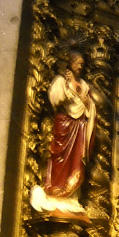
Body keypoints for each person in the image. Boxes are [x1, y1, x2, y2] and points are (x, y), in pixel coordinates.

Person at [30, 50, 96, 217]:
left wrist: (87, 103)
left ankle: (71, 197)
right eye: (78, 63)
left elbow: (90, 107)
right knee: (59, 158)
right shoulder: (61, 81)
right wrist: (66, 89)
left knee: (76, 160)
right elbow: (55, 99)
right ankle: (55, 191)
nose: (80, 66)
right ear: (70, 63)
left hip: (79, 128)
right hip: (64, 125)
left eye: (82, 64)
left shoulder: (84, 85)